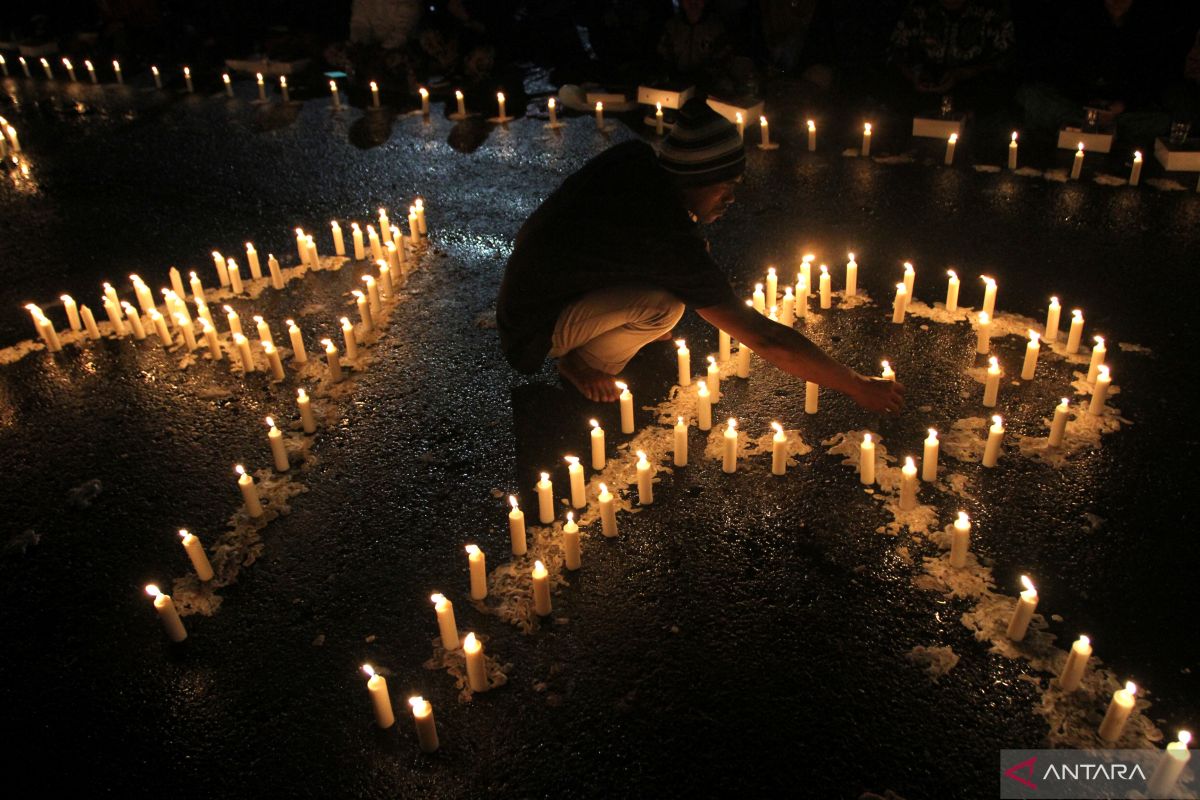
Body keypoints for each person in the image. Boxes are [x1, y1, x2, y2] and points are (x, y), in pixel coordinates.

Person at [496, 98, 905, 414]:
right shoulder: (665, 234)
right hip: (533, 324)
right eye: (724, 185)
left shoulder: (636, 162)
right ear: (693, 178)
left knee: (681, 277)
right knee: (666, 306)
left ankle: (590, 337)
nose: (731, 199)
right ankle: (581, 362)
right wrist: (856, 385)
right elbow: (765, 337)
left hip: (535, 287)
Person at [888, 0, 1015, 115]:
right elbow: (895, 51)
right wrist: (914, 74)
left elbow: (1006, 59)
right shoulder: (919, 9)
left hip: (975, 94)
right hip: (921, 95)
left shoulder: (991, 12)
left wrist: (964, 74)